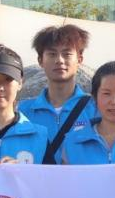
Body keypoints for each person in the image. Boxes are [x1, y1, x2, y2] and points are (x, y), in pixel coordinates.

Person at [20, 24, 94, 162]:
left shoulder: (95, 110)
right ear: (40, 60)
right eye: (52, 54)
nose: (59, 60)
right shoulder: (23, 112)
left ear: (79, 60)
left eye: (67, 54)